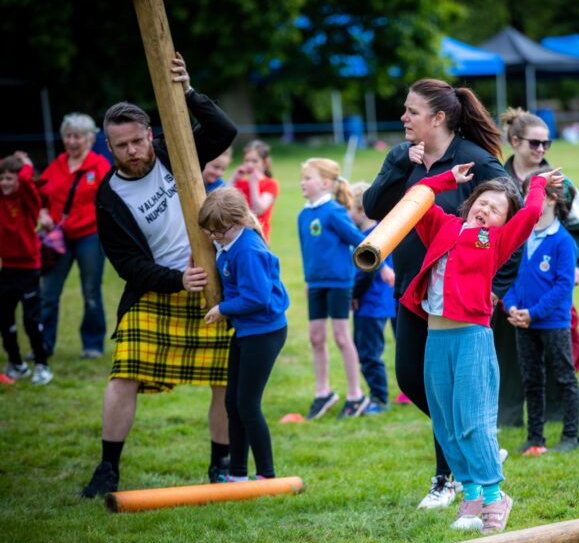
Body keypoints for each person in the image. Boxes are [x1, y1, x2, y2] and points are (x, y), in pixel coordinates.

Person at [81, 52, 238, 497]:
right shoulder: (109, 197)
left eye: (136, 140)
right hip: (157, 289)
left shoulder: (176, 150)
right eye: (120, 146)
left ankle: (220, 464)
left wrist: (187, 93)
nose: (132, 151)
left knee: (223, 377)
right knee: (123, 372)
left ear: (149, 134)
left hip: (210, 282)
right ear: (108, 147)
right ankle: (108, 467)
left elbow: (225, 131)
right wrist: (174, 280)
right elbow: (126, 265)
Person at [362, 78, 512, 510]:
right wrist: (397, 165)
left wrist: (496, 289)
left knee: (447, 388)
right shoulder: (402, 157)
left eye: (411, 111)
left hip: (460, 303)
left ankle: (447, 478)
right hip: (413, 290)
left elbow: (511, 218)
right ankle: (475, 448)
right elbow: (374, 208)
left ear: (438, 118)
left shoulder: (475, 161)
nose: (403, 118)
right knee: (412, 379)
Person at [401, 163, 557, 534]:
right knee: (446, 425)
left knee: (474, 423)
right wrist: (445, 180)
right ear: (470, 202)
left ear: (505, 221)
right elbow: (417, 199)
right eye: (482, 202)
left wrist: (536, 183)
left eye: (495, 209)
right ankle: (470, 493)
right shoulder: (444, 226)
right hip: (436, 339)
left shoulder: (497, 240)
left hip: (471, 337)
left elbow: (532, 212)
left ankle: (494, 496)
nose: (485, 210)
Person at [498, 108, 579, 427]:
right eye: (534, 143)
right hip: (505, 283)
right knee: (507, 352)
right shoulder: (497, 179)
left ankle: (554, 414)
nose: (541, 150)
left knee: (554, 349)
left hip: (548, 279)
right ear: (514, 141)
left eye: (546, 144)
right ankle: (507, 415)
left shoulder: (560, 181)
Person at [200, 188, 289, 481]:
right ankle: (237, 474)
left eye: (219, 231)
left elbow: (258, 297)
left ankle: (267, 475)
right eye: (209, 232)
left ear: (237, 222)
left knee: (248, 405)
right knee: (232, 403)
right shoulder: (229, 241)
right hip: (246, 330)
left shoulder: (248, 250)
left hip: (264, 332)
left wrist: (223, 309)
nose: (214, 237)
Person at [503, 172, 579, 456]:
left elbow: (563, 287)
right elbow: (506, 276)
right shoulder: (519, 238)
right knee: (531, 380)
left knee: (563, 377)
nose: (526, 200)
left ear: (551, 199)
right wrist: (510, 307)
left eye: (533, 194)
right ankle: (535, 437)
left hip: (552, 322)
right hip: (521, 322)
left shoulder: (563, 242)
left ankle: (571, 436)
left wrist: (533, 313)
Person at [298, 157, 369, 420]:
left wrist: (382, 268)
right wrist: (308, 280)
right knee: (316, 337)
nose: (302, 183)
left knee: (341, 337)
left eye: (308, 178)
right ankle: (323, 392)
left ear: (325, 183)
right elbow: (307, 252)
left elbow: (359, 241)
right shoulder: (303, 214)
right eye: (302, 178)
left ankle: (355, 395)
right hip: (315, 285)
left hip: (339, 283)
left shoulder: (335, 211)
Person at [37, 112, 112, 360]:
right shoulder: (56, 165)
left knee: (91, 292)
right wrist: (44, 213)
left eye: (78, 136)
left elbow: (112, 199)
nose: (72, 141)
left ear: (90, 139)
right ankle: (43, 345)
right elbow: (41, 197)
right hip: (58, 238)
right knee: (48, 294)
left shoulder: (100, 165)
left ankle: (92, 345)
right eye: (68, 136)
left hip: (90, 236)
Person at [0, 154, 51, 384]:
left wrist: (27, 165)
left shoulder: (28, 200)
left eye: (9, 178)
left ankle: (42, 365)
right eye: (1, 178)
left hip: (29, 269)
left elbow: (28, 180)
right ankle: (16, 364)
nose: (4, 183)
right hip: (7, 269)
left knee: (31, 321)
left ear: (19, 180)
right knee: (5, 319)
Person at [349, 182, 396, 415]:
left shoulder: (369, 238)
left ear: (361, 210)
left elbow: (366, 275)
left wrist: (352, 295)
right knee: (369, 351)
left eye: (349, 208)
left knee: (368, 353)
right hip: (378, 303)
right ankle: (378, 395)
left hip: (370, 304)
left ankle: (379, 399)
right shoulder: (384, 232)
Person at [231, 140, 278, 241]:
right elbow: (220, 202)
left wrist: (253, 184)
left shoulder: (270, 184)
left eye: (254, 161)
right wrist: (233, 179)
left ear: (265, 162)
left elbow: (258, 210)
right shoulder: (240, 183)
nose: (250, 165)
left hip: (258, 237)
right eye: (247, 161)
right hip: (237, 236)